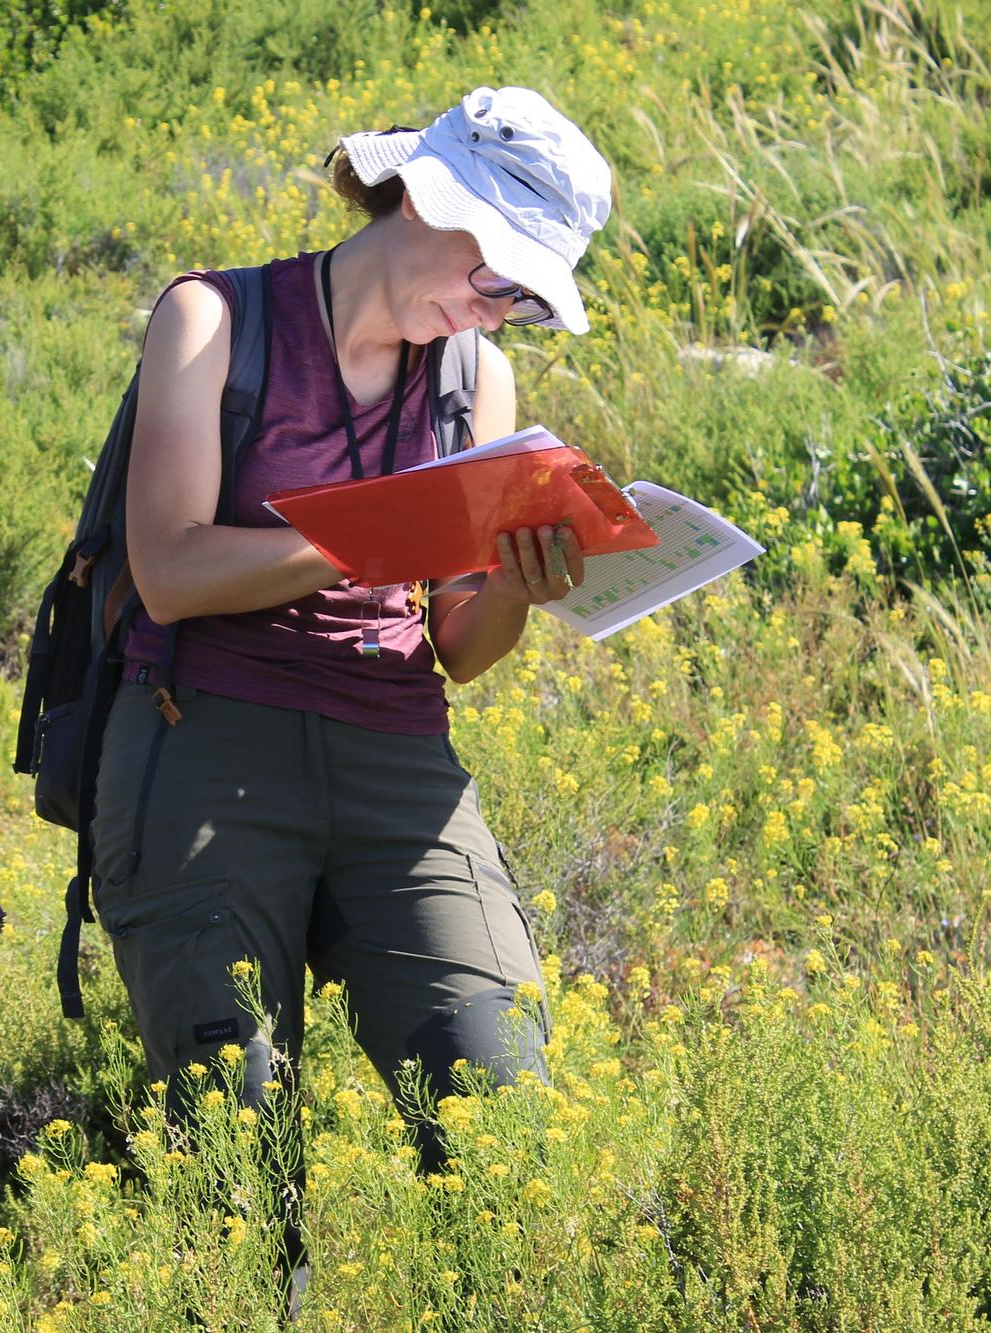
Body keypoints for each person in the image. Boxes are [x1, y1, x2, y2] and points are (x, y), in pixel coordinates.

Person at [89, 85, 614, 1308]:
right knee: (233, 1130)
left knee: (501, 1116)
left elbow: (459, 641)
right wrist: (360, 538)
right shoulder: (212, 321)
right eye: (500, 278)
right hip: (205, 737)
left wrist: (524, 588)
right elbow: (166, 571)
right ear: (428, 201)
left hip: (395, 754)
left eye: (525, 296)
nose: (499, 311)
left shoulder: (469, 376)